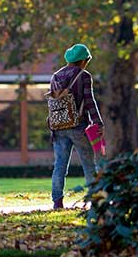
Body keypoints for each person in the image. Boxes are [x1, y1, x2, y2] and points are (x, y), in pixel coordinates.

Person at [50, 43, 104, 209]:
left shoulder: (55, 76)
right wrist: (97, 122)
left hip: (58, 127)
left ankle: (57, 202)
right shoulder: (84, 75)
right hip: (78, 126)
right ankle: (95, 200)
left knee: (59, 165)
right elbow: (89, 101)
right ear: (83, 60)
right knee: (88, 164)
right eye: (87, 60)